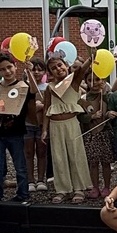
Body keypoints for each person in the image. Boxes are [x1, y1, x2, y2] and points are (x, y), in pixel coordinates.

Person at [42, 53, 94, 204]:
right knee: (59, 157)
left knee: (75, 154)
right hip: (55, 126)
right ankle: (63, 189)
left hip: (71, 124)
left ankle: (79, 187)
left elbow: (83, 70)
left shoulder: (74, 82)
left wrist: (90, 56)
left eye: (60, 65)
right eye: (53, 68)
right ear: (50, 73)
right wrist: (44, 129)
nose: (58, 69)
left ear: (66, 65)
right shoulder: (50, 88)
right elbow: (47, 108)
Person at [0, 54, 33, 202]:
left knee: (20, 166)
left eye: (9, 67)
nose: (7, 71)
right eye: (2, 69)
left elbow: (34, 91)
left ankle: (23, 194)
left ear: (15, 66)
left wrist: (30, 72)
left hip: (16, 133)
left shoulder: (23, 87)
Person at [80, 75, 115, 199]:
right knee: (93, 162)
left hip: (105, 133)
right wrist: (91, 117)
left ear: (103, 81)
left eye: (97, 79)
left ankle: (106, 186)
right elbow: (80, 116)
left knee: (106, 162)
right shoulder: (83, 98)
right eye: (90, 80)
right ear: (86, 82)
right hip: (91, 134)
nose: (94, 82)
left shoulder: (107, 97)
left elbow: (112, 109)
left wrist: (107, 114)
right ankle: (95, 186)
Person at [24, 57, 48, 193]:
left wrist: (42, 106)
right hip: (27, 124)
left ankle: (40, 179)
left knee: (42, 152)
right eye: (34, 69)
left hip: (42, 125)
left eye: (40, 70)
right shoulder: (24, 86)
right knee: (28, 153)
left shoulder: (47, 87)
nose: (37, 72)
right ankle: (30, 180)